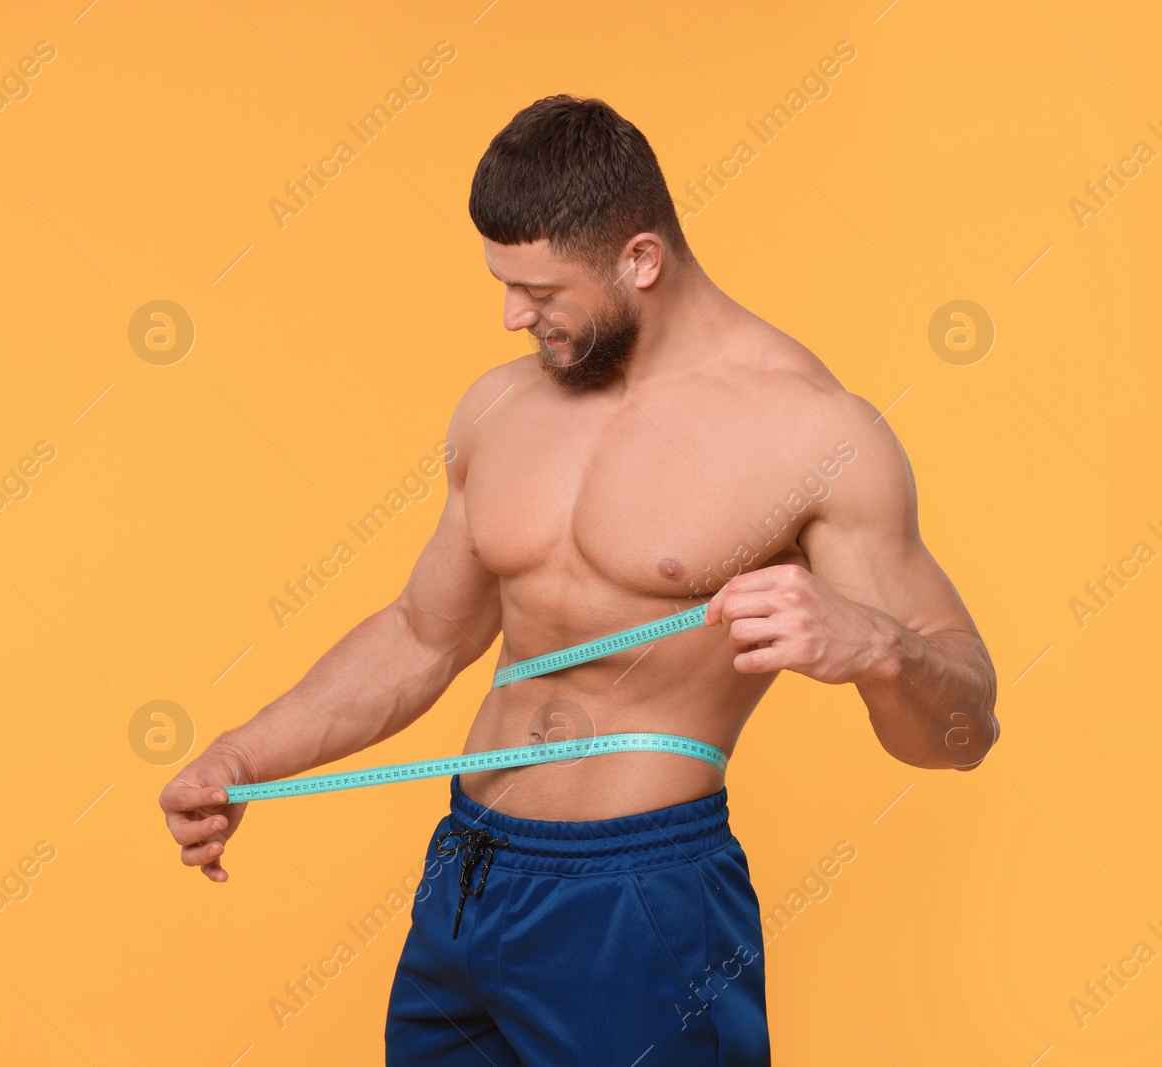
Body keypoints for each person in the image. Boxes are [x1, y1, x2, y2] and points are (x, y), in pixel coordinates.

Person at [158, 94, 998, 1065]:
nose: (514, 314)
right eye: (504, 283)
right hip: (465, 881)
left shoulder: (813, 434)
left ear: (639, 258)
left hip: (638, 900)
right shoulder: (502, 405)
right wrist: (240, 755)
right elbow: (423, 635)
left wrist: (877, 648)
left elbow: (962, 732)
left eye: (540, 289)